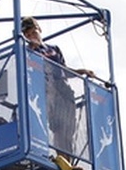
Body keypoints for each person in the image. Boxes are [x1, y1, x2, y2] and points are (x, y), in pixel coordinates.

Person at [21, 16, 95, 155]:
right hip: (49, 90)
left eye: (33, 32)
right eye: (28, 35)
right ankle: (62, 160)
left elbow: (64, 70)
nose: (32, 37)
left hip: (64, 89)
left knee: (69, 130)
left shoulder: (53, 48)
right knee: (59, 128)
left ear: (39, 30)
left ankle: (69, 162)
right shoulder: (28, 52)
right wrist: (31, 49)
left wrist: (81, 71)